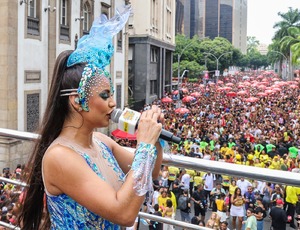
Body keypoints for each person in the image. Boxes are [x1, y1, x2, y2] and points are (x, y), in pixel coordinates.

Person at [18, 6, 165, 230]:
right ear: (77, 101)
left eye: (112, 94)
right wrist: (143, 145)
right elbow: (123, 213)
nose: (113, 103)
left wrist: (154, 139)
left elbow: (151, 171)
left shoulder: (102, 142)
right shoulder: (60, 156)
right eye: (104, 95)